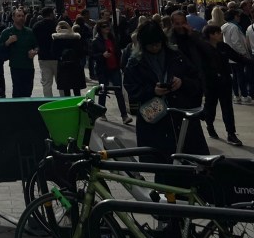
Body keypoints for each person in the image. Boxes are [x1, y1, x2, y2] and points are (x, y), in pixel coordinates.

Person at [123, 19, 208, 158]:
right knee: (160, 161)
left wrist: (182, 82)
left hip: (180, 115)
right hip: (153, 119)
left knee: (189, 159)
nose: (155, 48)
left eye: (157, 44)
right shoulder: (135, 63)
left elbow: (197, 80)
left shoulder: (176, 55)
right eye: (151, 45)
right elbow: (131, 89)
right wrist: (152, 91)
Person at [201, 23, 245, 145]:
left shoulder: (223, 46)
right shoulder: (204, 49)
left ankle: (231, 134)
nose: (221, 34)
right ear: (211, 35)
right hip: (211, 83)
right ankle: (210, 125)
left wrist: (249, 62)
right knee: (211, 106)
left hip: (225, 82)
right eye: (218, 33)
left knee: (227, 108)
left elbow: (236, 57)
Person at [90, 20, 132, 123]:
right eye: (104, 26)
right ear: (100, 29)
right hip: (103, 69)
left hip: (114, 68)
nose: (107, 28)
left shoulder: (113, 39)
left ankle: (124, 116)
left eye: (108, 26)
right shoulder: (96, 41)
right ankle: (101, 113)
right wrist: (102, 55)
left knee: (119, 91)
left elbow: (118, 53)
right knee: (103, 91)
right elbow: (92, 56)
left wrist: (121, 65)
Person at [0, 8, 37, 98]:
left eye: (22, 16)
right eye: (18, 16)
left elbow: (37, 46)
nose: (21, 18)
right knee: (17, 91)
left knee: (28, 91)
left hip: (29, 66)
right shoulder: (7, 32)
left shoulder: (29, 32)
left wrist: (34, 52)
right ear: (13, 18)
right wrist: (7, 42)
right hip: (16, 66)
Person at [52, 20, 88, 97]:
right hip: (75, 65)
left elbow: (54, 53)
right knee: (77, 89)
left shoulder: (57, 39)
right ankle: (78, 103)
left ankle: (68, 103)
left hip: (63, 66)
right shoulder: (76, 38)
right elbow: (82, 52)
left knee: (66, 90)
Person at [32, 6, 57, 98]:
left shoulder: (36, 26)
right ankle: (63, 100)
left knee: (46, 82)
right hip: (56, 56)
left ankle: (48, 100)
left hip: (43, 56)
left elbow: (34, 41)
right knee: (60, 82)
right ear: (50, 14)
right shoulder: (56, 25)